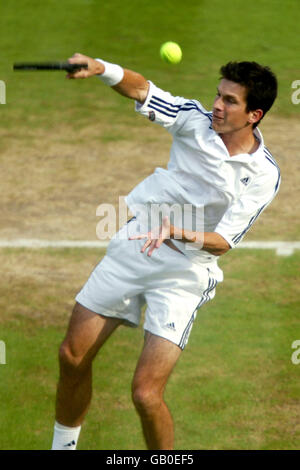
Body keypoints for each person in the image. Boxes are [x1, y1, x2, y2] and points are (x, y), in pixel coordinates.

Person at [51, 53, 280, 450]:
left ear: (254, 114)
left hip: (185, 274)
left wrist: (178, 231)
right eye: (218, 95)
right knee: (72, 357)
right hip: (136, 246)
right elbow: (142, 90)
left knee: (145, 394)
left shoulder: (263, 174)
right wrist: (102, 68)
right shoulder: (193, 119)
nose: (217, 106)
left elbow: (224, 242)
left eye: (230, 101)